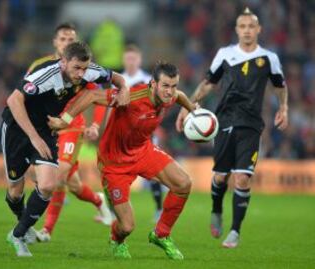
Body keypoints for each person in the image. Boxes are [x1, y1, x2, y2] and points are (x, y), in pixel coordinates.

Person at [48, 62, 197, 260]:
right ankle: (116, 239)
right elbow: (91, 95)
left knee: (183, 183)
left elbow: (180, 97)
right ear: (153, 84)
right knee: (127, 226)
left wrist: (192, 109)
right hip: (114, 162)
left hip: (143, 151)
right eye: (166, 86)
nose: (170, 92)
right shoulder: (132, 96)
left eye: (173, 86)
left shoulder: (170, 97)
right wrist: (65, 119)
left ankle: (161, 234)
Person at [1, 41, 129, 257]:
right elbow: (14, 100)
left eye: (84, 68)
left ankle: (18, 234)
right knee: (15, 191)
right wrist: (33, 137)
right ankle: (23, 220)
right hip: (17, 128)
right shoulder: (46, 75)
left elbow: (117, 78)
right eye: (76, 68)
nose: (81, 74)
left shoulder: (89, 72)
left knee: (49, 185)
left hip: (47, 129)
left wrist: (124, 89)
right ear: (63, 62)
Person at [176, 8, 288, 248]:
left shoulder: (269, 58)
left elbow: (280, 85)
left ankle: (235, 231)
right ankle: (216, 210)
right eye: (243, 26)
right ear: (237, 30)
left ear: (259, 30)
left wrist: (284, 107)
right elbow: (208, 84)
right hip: (224, 121)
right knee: (220, 177)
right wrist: (188, 106)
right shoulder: (225, 54)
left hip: (251, 125)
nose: (247, 30)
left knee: (243, 179)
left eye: (251, 26)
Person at [27, 23, 113, 244]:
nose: (67, 42)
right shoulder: (41, 66)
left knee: (59, 175)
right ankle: (98, 200)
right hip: (49, 127)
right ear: (55, 42)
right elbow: (27, 93)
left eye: (71, 39)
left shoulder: (83, 68)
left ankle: (46, 230)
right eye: (63, 39)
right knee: (73, 185)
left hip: (73, 127)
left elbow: (99, 95)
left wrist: (94, 125)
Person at [121, 44, 164, 222]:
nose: (131, 61)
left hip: (145, 133)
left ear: (140, 60)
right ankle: (116, 210)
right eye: (128, 58)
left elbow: (160, 105)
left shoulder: (148, 80)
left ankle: (159, 207)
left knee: (153, 172)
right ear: (124, 59)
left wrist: (155, 124)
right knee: (118, 172)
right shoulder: (119, 80)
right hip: (123, 134)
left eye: (134, 58)